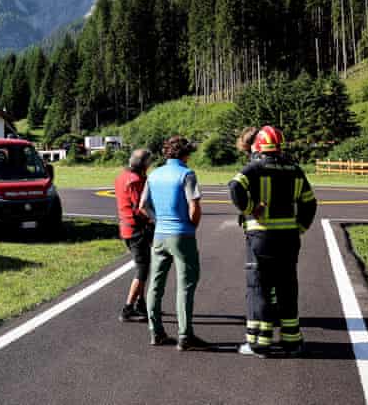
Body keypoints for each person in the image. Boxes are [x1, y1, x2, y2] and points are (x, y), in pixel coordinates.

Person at [228, 126, 317, 358]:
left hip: (261, 238)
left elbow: (235, 186)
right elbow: (310, 203)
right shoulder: (295, 170)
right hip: (289, 238)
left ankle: (259, 342)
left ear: (258, 147)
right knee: (287, 287)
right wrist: (300, 227)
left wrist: (249, 208)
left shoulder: (254, 168)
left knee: (260, 287)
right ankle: (291, 341)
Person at [140, 136, 211, 351]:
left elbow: (142, 205)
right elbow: (194, 205)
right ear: (185, 154)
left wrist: (157, 219)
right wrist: (192, 225)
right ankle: (185, 335)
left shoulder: (154, 175)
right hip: (182, 235)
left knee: (155, 285)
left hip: (160, 235)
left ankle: (156, 332)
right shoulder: (186, 174)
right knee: (185, 285)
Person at [114, 149, 154, 322]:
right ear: (144, 164)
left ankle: (141, 302)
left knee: (144, 266)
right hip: (137, 229)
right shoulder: (136, 180)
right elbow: (140, 207)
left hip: (126, 227)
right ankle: (128, 308)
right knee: (142, 269)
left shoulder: (121, 176)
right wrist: (154, 220)